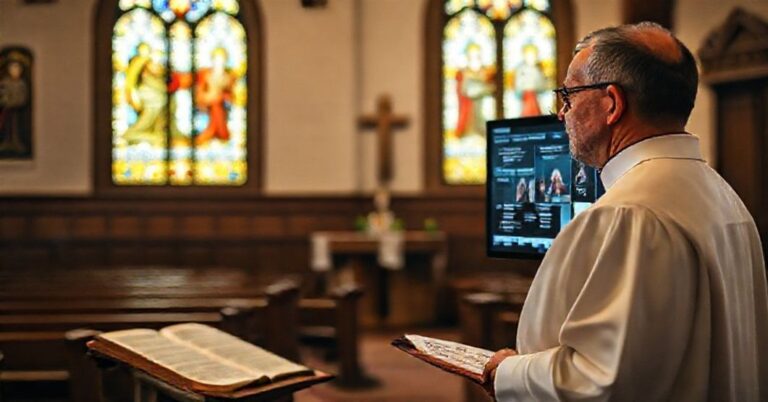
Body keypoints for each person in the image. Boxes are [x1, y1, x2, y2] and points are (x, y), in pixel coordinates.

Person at [482, 22, 768, 401]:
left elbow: (601, 384)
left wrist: (509, 371)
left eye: (568, 95)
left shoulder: (628, 214)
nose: (561, 113)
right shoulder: (723, 195)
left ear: (612, 104)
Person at [194, 47, 236, 146]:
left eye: (221, 60)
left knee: (217, 106)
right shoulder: (205, 74)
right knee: (214, 105)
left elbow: (231, 95)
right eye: (216, 60)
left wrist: (222, 96)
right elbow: (200, 92)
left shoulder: (229, 76)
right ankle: (210, 133)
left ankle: (219, 133)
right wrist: (206, 97)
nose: (219, 63)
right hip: (207, 104)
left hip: (221, 105)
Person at [455, 42, 495, 139]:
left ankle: (482, 135)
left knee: (482, 121)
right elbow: (466, 90)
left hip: (483, 105)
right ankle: (470, 136)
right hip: (469, 106)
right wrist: (485, 89)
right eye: (472, 56)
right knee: (472, 122)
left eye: (477, 56)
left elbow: (492, 87)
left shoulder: (485, 71)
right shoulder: (464, 73)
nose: (474, 58)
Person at [0, 59, 29, 153]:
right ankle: (7, 142)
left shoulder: (22, 83)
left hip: (18, 109)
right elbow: (2, 94)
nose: (15, 71)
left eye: (17, 69)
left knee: (17, 126)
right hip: (7, 109)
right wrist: (6, 102)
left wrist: (18, 102)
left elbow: (24, 96)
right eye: (13, 68)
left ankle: (17, 142)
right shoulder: (4, 82)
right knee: (7, 125)